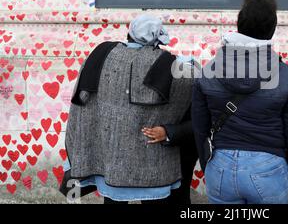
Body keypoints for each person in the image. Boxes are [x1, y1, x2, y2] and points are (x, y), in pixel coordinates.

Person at [192, 0, 288, 204]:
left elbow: (200, 126)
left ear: (239, 25)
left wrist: (208, 161)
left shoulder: (207, 71)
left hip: (220, 166)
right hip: (269, 169)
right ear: (272, 30)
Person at [61, 15, 197, 204]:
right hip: (152, 165)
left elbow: (83, 104)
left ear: (129, 33)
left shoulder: (100, 57)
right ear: (158, 40)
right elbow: (192, 93)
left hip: (108, 161)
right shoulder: (173, 67)